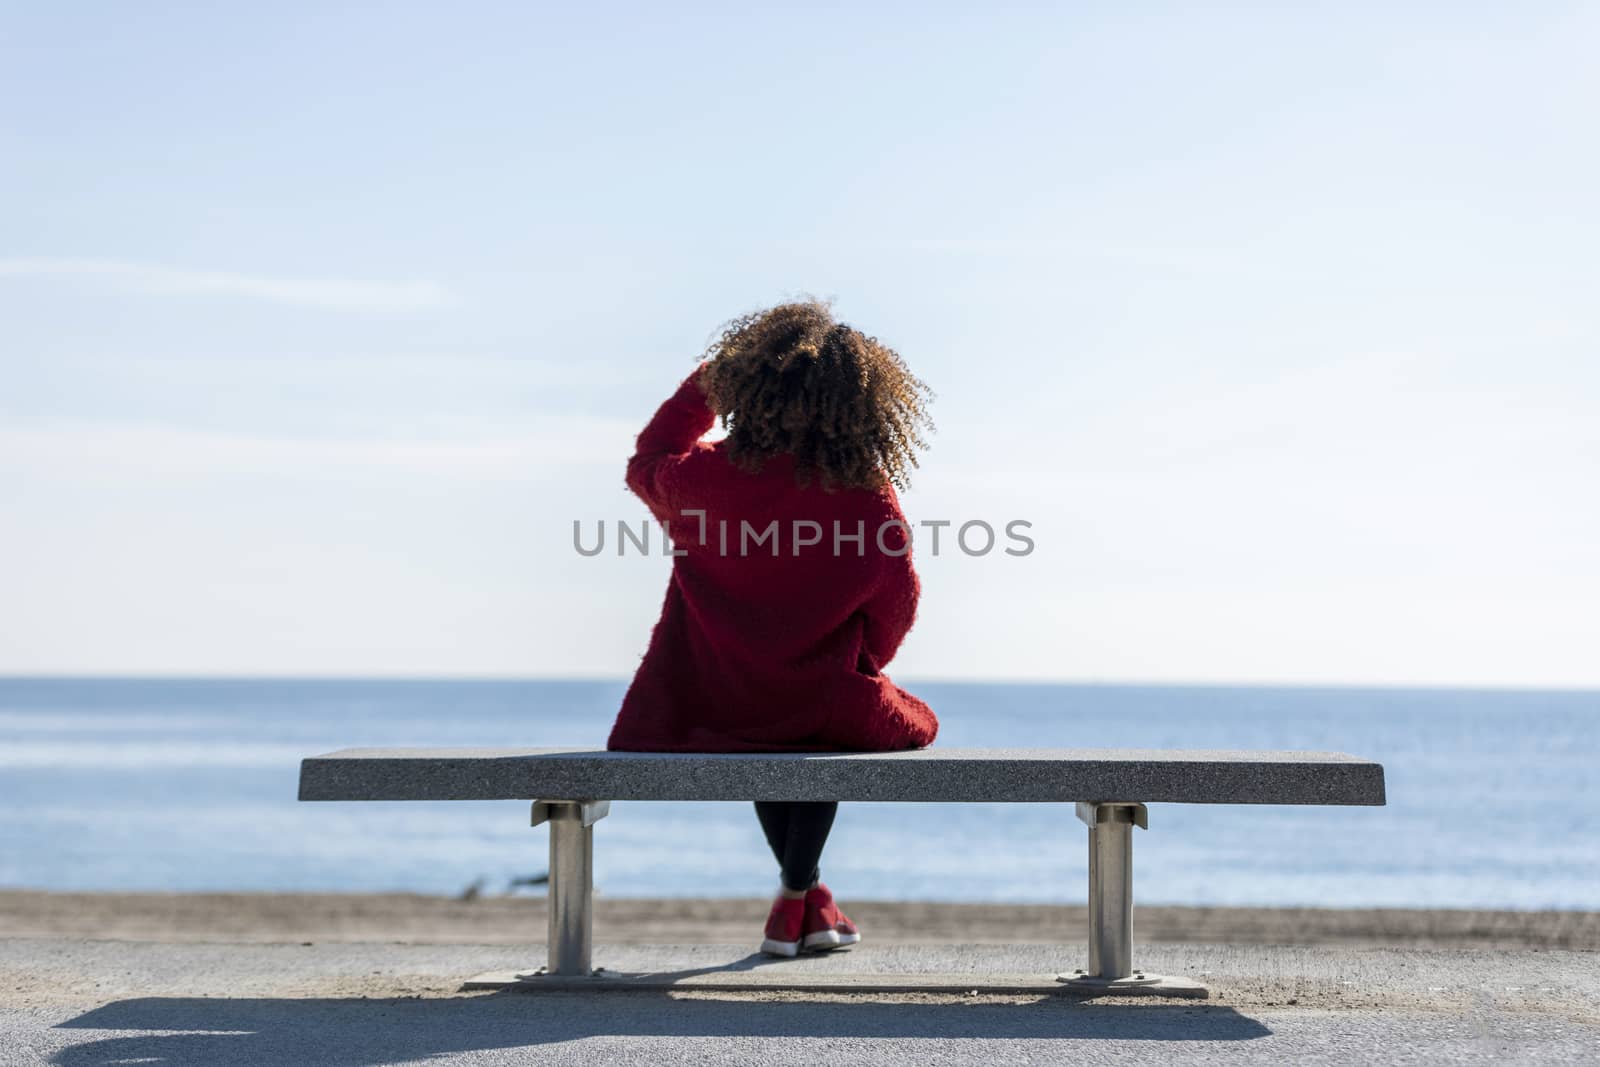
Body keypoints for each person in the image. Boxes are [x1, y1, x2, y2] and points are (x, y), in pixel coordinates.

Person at [607, 299, 939, 957]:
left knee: (766, 728)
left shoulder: (705, 479)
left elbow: (648, 458)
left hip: (721, 698)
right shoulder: (863, 489)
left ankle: (806, 902)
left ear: (748, 390)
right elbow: (897, 599)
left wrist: (708, 380)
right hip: (822, 697)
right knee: (833, 724)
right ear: (856, 401)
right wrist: (861, 657)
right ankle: (798, 900)